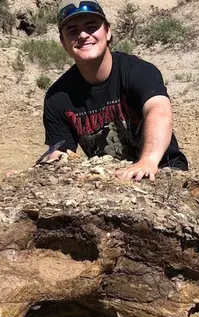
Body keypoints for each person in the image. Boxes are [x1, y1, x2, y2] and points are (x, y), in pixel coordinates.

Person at [40, 0, 188, 181]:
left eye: (91, 26)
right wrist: (31, 175)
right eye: (72, 30)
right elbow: (60, 152)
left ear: (108, 31)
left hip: (161, 169)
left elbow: (159, 110)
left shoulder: (137, 71)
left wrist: (148, 160)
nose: (83, 35)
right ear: (63, 42)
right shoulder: (57, 97)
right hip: (109, 180)